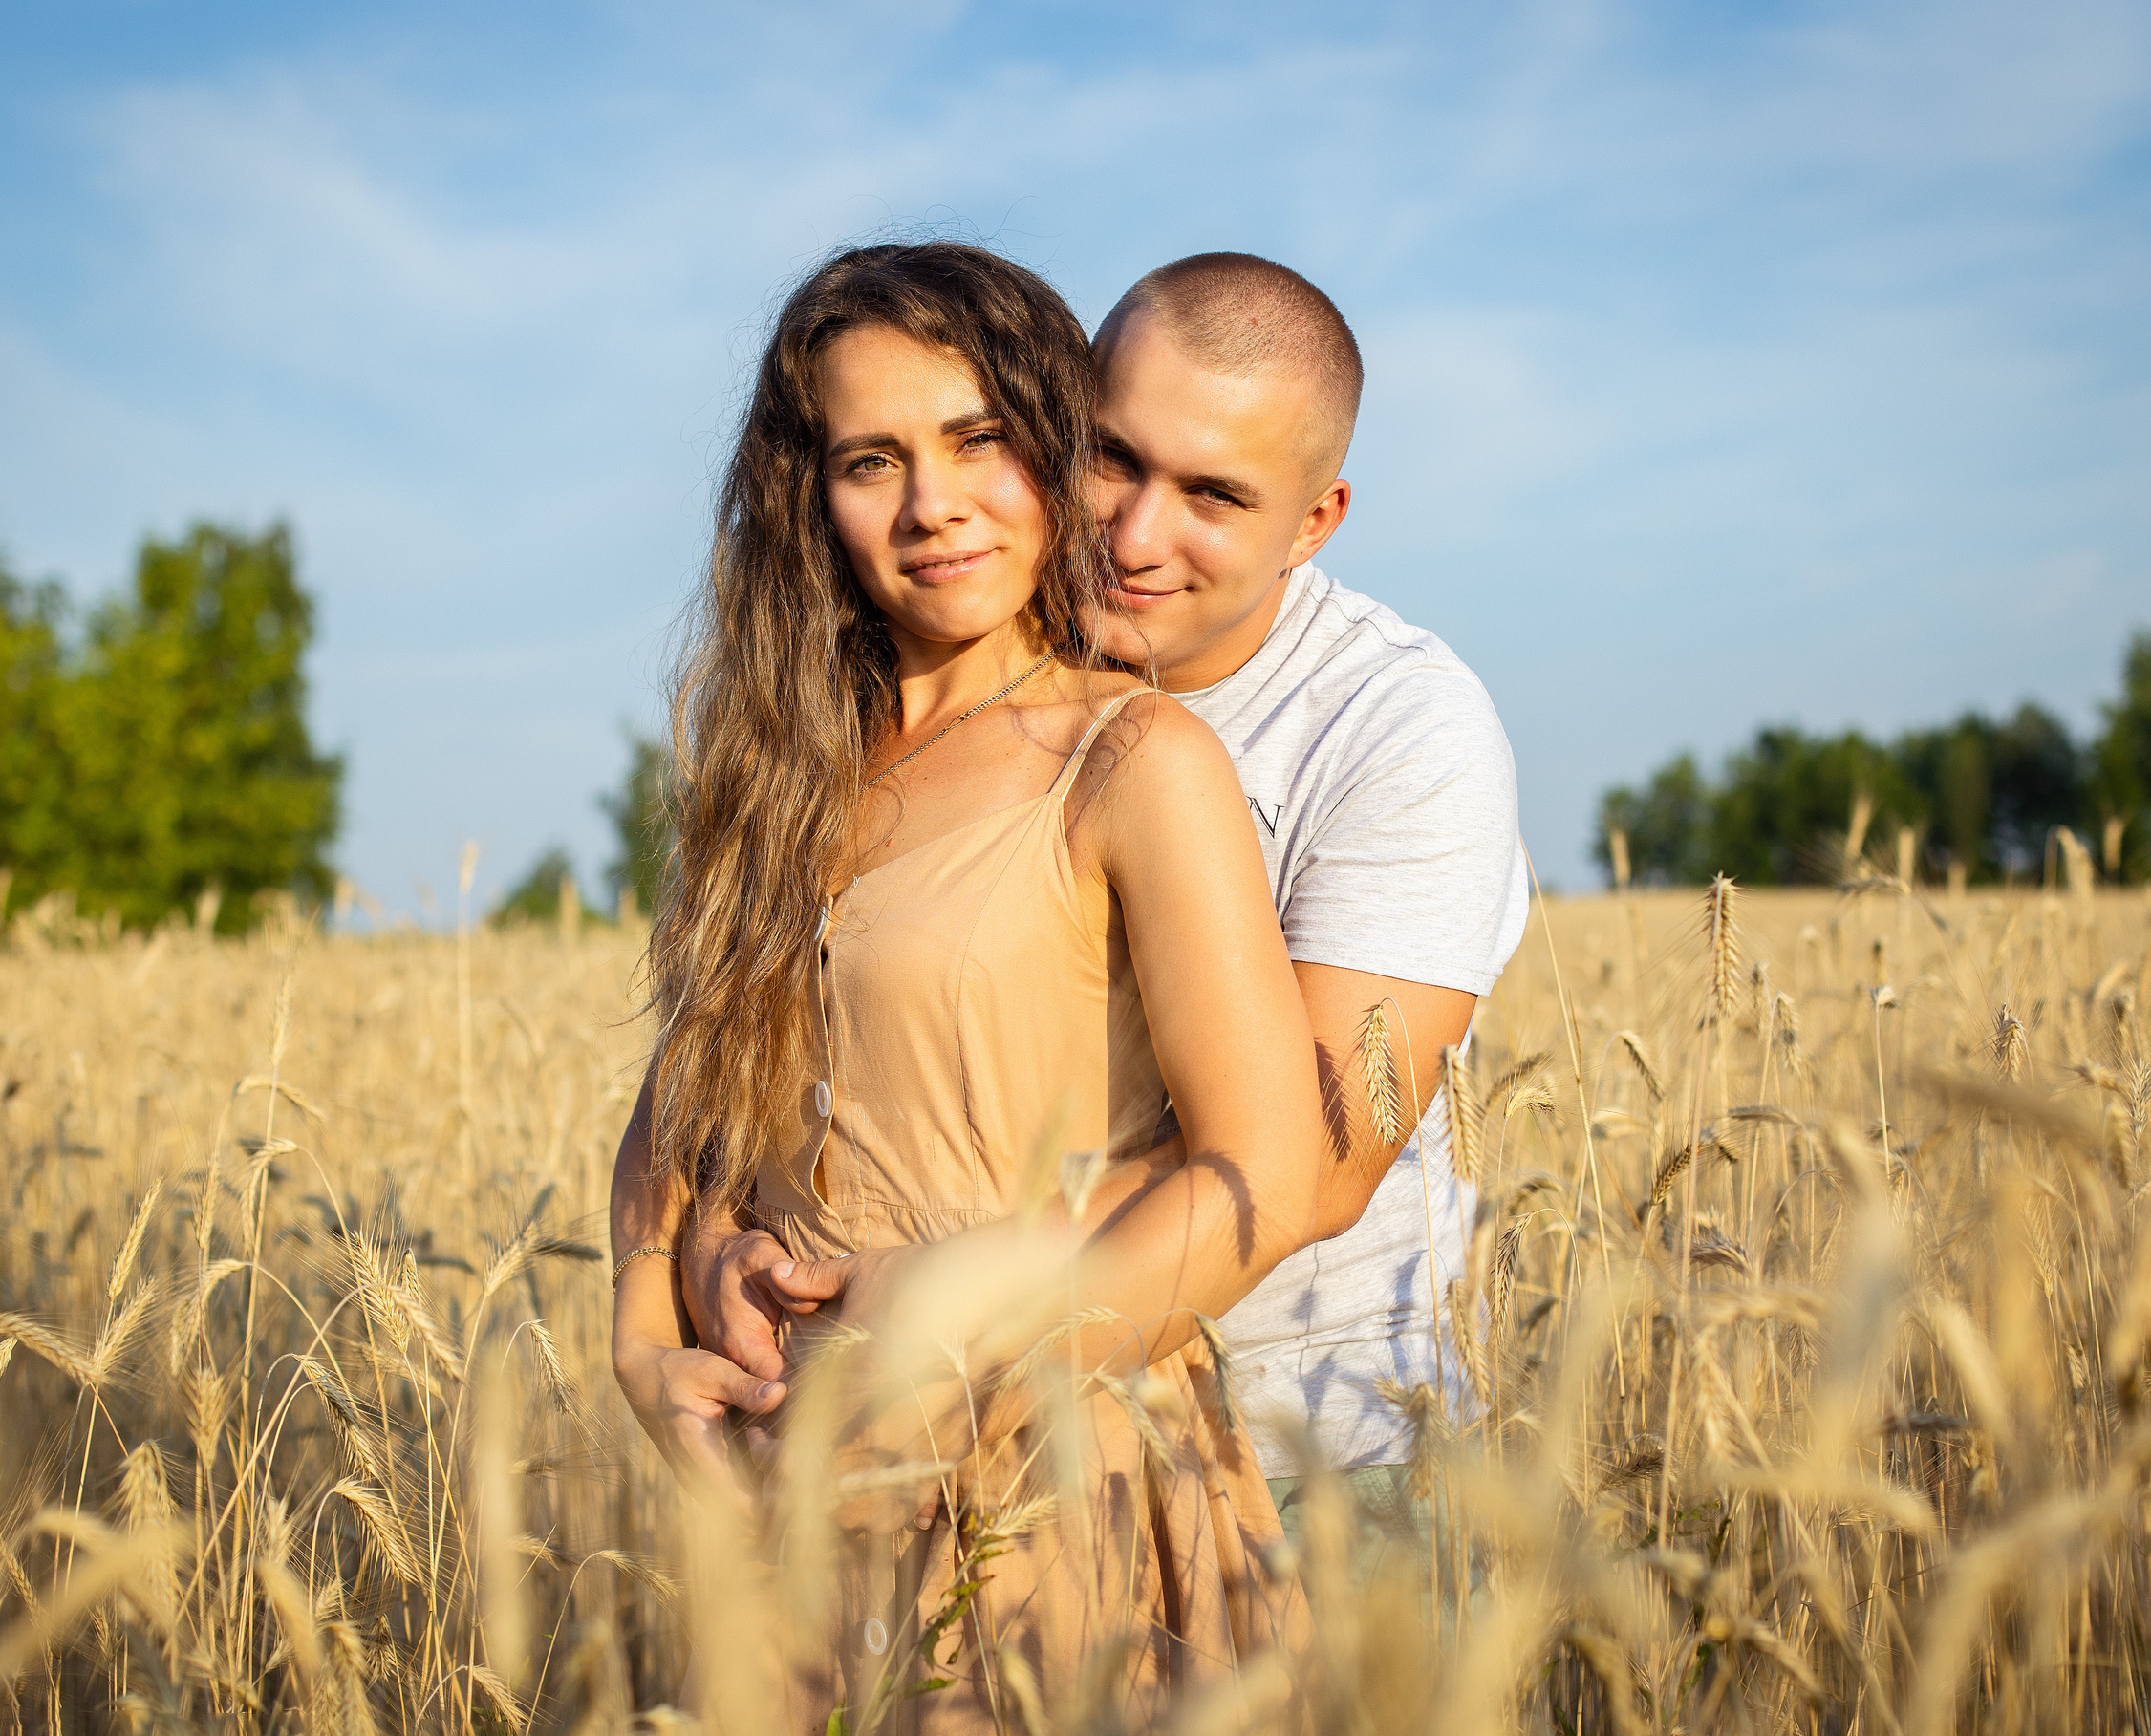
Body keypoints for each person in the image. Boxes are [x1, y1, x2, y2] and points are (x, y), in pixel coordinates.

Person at [693, 253, 1528, 1562]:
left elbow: (1306, 1163)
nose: (1136, 535)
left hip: (1322, 1450)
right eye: (1115, 459)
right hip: (988, 1458)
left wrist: (946, 1288)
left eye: (1212, 495)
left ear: (1315, 522)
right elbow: (739, 1053)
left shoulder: (1402, 730)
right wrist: (703, 1266)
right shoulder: (976, 661)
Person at [605, 242, 1324, 1729]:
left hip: (1044, 1493)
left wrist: (977, 1345)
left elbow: (1268, 1170)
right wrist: (656, 1316)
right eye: (873, 458)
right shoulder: (779, 774)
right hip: (788, 1511)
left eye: (977, 439)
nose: (932, 504)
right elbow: (680, 1108)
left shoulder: (1131, 764)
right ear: (810, 495)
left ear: (1054, 450)